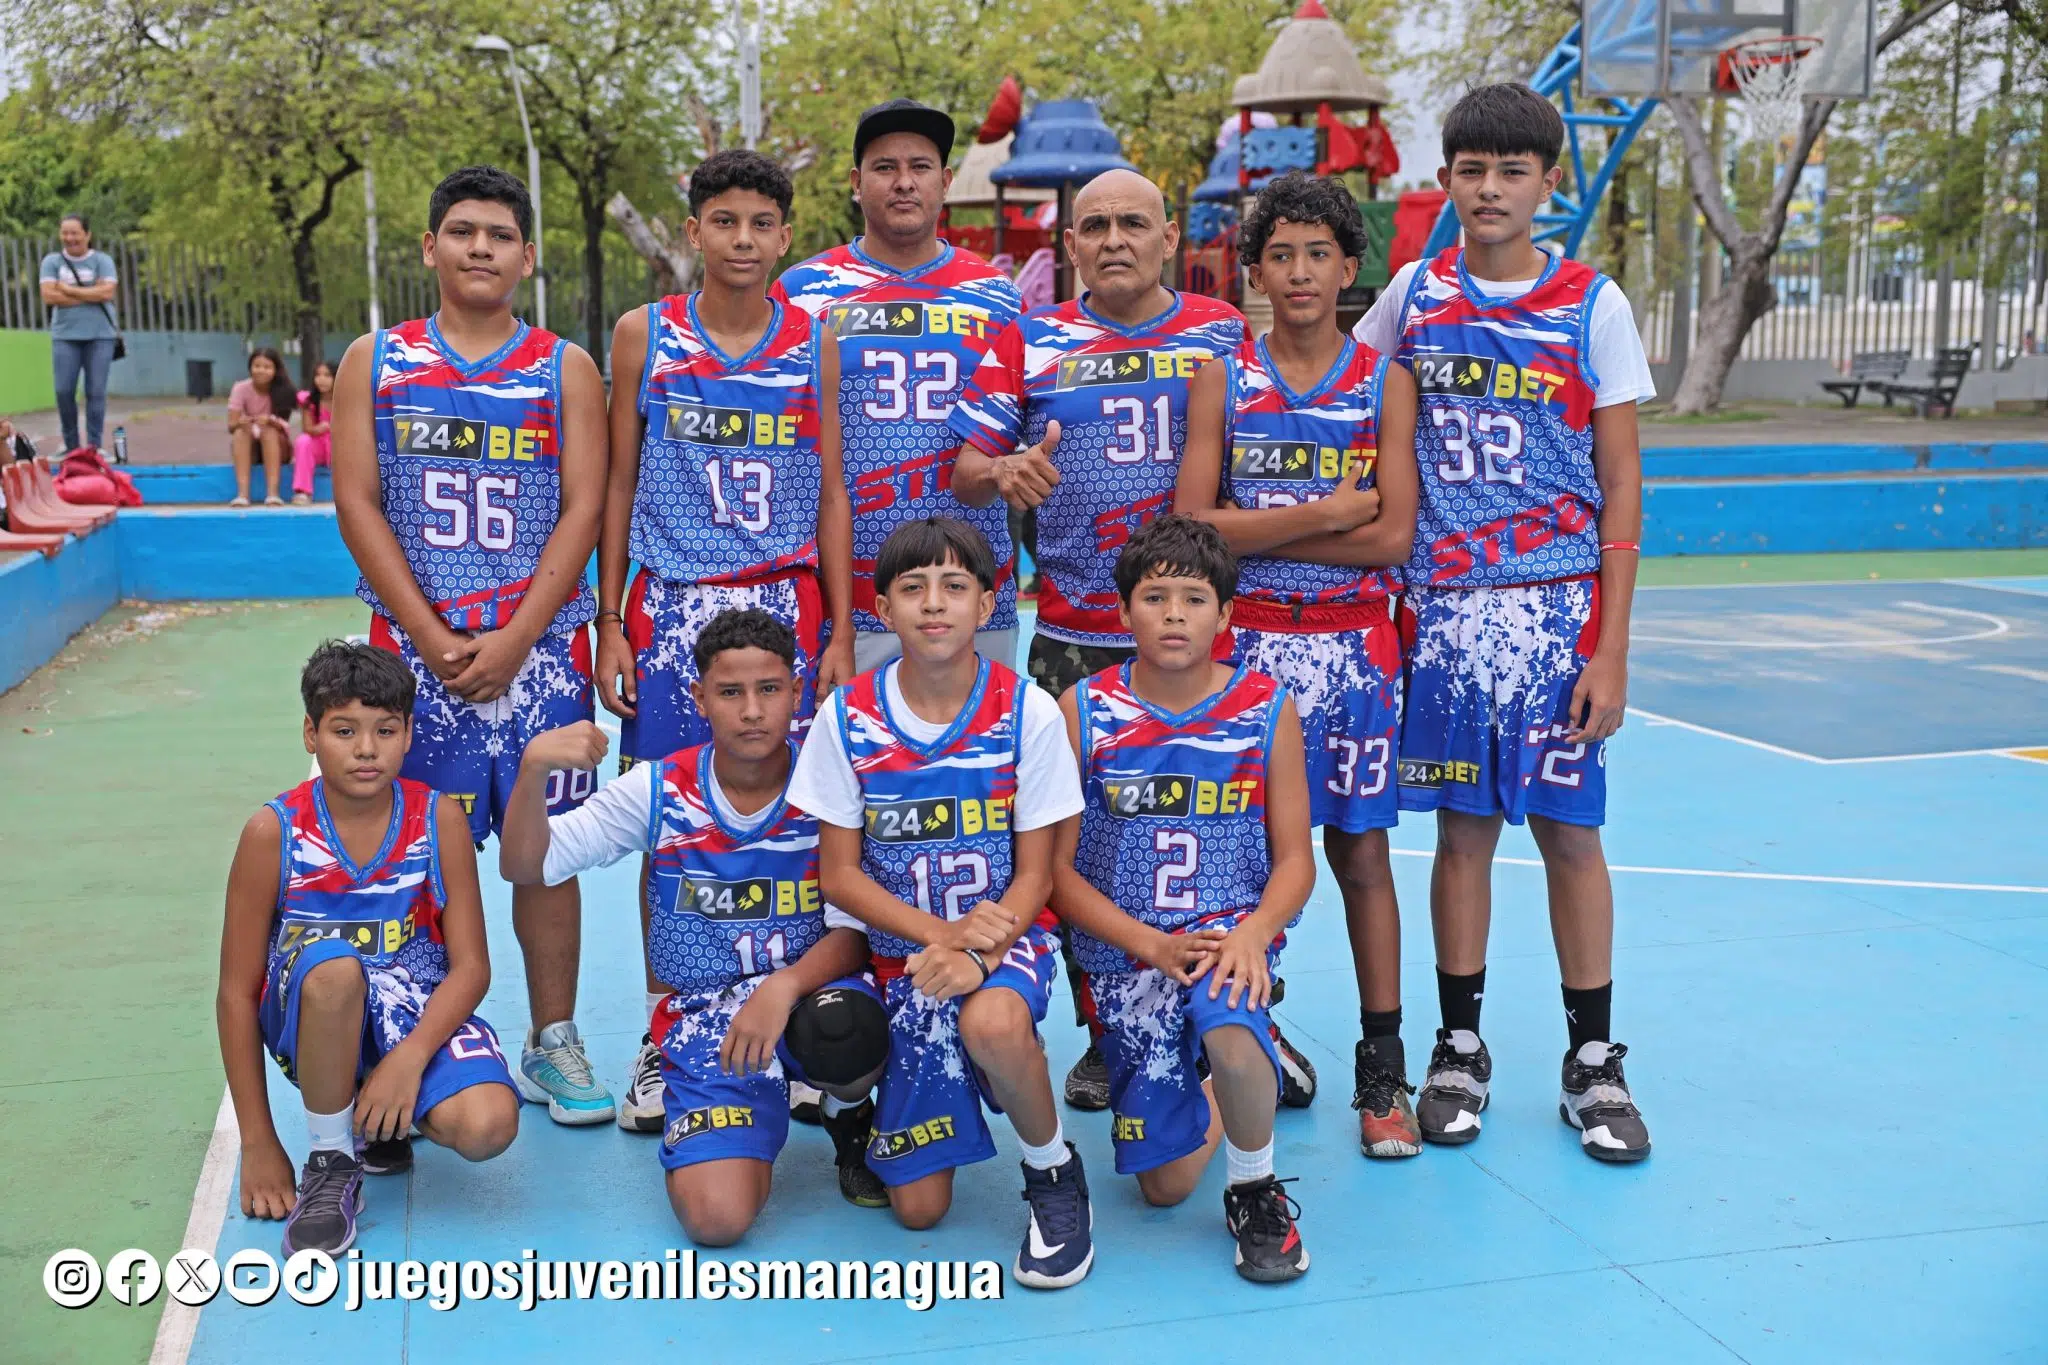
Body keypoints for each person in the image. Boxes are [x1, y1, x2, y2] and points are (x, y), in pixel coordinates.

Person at [949, 167, 1318, 1115]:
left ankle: (1248, 1005)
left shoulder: (1221, 332)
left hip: (1206, 629)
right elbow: (965, 470)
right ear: (1070, 245)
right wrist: (1004, 469)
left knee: (1231, 829)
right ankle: (1109, 1029)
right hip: (1075, 634)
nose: (1114, 239)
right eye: (1096, 225)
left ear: (1168, 237)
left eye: (1134, 223)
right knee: (1081, 846)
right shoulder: (1027, 338)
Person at [1358, 83, 1654, 1161]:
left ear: (1545, 184)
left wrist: (1610, 648)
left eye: (1512, 172)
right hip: (1443, 616)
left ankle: (1592, 1061)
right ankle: (1458, 1047)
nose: (1489, 189)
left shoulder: (1592, 303)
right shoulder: (1411, 294)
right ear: (1446, 179)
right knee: (1460, 833)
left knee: (1571, 834)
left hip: (1557, 611)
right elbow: (1354, 403)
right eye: (1472, 170)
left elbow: (1620, 485)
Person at [332, 164, 617, 1128]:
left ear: (527, 257)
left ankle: (552, 1035)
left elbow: (584, 506)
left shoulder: (563, 367)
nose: (481, 248)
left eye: (500, 235)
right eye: (463, 231)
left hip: (538, 654)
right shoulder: (375, 360)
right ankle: (406, 1032)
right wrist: (430, 635)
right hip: (417, 656)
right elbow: (357, 503)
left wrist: (518, 636)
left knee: (548, 854)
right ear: (430, 247)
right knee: (414, 853)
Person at [599, 148, 855, 1134]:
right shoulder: (645, 334)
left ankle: (793, 1026)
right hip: (671, 610)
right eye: (724, 221)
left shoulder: (815, 341)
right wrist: (607, 618)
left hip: (784, 604)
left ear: (784, 237)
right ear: (693, 230)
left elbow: (830, 490)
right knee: (673, 828)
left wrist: (839, 626)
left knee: (799, 823)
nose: (742, 239)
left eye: (760, 223)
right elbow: (619, 483)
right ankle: (664, 1031)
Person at [499, 609, 891, 1240]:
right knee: (716, 1220)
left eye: (769, 689)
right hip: (710, 1018)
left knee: (849, 1026)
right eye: (730, 692)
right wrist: (532, 772)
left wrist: (783, 987)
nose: (752, 710)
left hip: (811, 997)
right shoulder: (658, 789)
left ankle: (848, 1111)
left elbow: (855, 929)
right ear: (699, 698)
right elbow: (527, 865)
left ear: (797, 691)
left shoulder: (830, 785)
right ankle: (741, 1109)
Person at [1175, 172, 1422, 1158]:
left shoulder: (1383, 382)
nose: (1300, 271)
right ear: (1255, 272)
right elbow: (1193, 529)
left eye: (1318, 252)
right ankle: (1249, 1034)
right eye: (1279, 254)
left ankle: (1382, 1069)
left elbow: (1393, 539)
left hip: (1355, 652)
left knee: (1359, 855)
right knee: (1243, 861)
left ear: (1349, 265)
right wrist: (1325, 514)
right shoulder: (1221, 378)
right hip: (1248, 656)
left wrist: (1260, 531)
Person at [788, 517, 1094, 1289]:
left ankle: (1053, 1170)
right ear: (882, 608)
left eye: (955, 585)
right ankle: (883, 1099)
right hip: (907, 956)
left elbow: (1038, 875)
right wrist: (943, 936)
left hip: (1005, 943)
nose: (934, 602)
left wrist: (980, 952)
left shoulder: (1027, 711)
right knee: (919, 1209)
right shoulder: (846, 716)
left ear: (988, 604)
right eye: (913, 587)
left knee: (992, 1020)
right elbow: (840, 876)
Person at [1051, 515, 1315, 1282]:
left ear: (1225, 614)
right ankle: (1245, 1070)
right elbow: (1056, 874)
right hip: (1130, 954)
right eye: (1155, 597)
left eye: (1194, 599)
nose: (1174, 614)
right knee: (1164, 1187)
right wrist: (1151, 944)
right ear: (1122, 609)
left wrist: (1256, 931)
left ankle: (1254, 1186)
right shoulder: (1082, 711)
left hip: (1227, 936)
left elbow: (1296, 860)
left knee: (1229, 1022)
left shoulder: (1267, 708)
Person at [216, 641, 519, 1257]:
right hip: (312, 1011)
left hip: (412, 1011)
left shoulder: (437, 819)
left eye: (384, 730)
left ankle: (378, 1113)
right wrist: (258, 1141)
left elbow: (472, 968)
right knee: (336, 968)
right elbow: (235, 993)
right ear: (311, 734)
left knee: (488, 1125)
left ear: (407, 734)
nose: (365, 749)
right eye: (344, 730)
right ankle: (330, 1159)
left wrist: (408, 1060)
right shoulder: (273, 833)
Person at [774, 98, 1026, 673]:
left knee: (981, 733)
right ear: (856, 183)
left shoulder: (998, 297)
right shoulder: (803, 292)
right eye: (885, 167)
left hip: (971, 592)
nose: (904, 182)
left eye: (920, 167)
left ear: (946, 182)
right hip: (842, 599)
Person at [38, 213, 119, 456]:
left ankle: (94, 446)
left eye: (75, 233)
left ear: (87, 234)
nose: (69, 238)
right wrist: (90, 294)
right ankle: (71, 445)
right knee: (64, 391)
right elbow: (48, 296)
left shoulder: (102, 260)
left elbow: (107, 293)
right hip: (65, 336)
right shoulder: (52, 262)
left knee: (96, 391)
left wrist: (66, 289)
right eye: (65, 233)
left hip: (100, 336)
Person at [228, 348, 298, 508]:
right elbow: (231, 425)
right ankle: (242, 495)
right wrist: (242, 422)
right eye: (257, 366)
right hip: (251, 447)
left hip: (278, 447)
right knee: (240, 432)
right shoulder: (240, 388)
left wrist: (271, 421)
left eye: (267, 367)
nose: (261, 371)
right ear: (250, 368)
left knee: (269, 431)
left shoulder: (284, 391)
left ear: (275, 370)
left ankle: (273, 494)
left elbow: (285, 427)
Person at [291, 360, 336, 505]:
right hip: (318, 445)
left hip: (338, 446)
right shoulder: (309, 400)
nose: (321, 379)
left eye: (327, 375)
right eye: (318, 375)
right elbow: (308, 429)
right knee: (303, 440)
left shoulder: (344, 400)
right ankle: (303, 491)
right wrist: (320, 428)